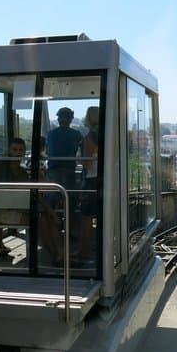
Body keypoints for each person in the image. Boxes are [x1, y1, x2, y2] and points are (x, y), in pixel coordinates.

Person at [0, 138, 62, 263]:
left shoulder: (22, 171)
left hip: (19, 209)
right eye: (14, 150)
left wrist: (51, 211)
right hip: (3, 211)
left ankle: (60, 254)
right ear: (9, 151)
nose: (17, 153)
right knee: (40, 220)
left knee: (46, 218)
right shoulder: (1, 166)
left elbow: (34, 193)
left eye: (20, 150)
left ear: (24, 152)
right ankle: (54, 255)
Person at [74, 106, 99, 262]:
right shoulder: (107, 135)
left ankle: (83, 252)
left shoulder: (90, 137)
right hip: (102, 180)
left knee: (86, 218)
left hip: (90, 180)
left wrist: (79, 158)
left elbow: (87, 164)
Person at [46, 107, 82, 193]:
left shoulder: (51, 134)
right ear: (70, 119)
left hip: (53, 169)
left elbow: (48, 151)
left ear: (59, 119)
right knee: (68, 196)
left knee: (52, 196)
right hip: (69, 169)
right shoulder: (76, 134)